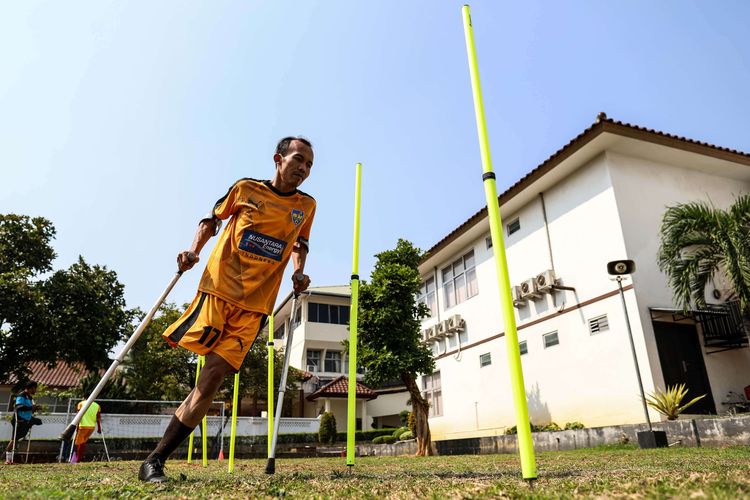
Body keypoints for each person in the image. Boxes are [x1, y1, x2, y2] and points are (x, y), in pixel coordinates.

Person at [139, 136, 316, 482]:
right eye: (299, 159)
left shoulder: (306, 205)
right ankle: (157, 457)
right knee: (197, 364)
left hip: (256, 306)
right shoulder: (246, 188)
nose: (304, 169)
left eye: (309, 165)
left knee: (213, 378)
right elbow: (211, 219)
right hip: (219, 290)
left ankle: (154, 461)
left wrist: (298, 272)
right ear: (278, 158)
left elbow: (301, 242)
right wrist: (193, 250)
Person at [5, 381, 42, 465]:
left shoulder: (30, 397)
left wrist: (35, 408)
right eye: (35, 388)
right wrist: (30, 407)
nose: (35, 390)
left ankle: (11, 459)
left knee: (17, 438)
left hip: (26, 420)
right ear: (31, 388)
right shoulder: (21, 396)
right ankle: (7, 459)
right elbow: (19, 407)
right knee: (14, 439)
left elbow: (31, 409)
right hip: (19, 420)